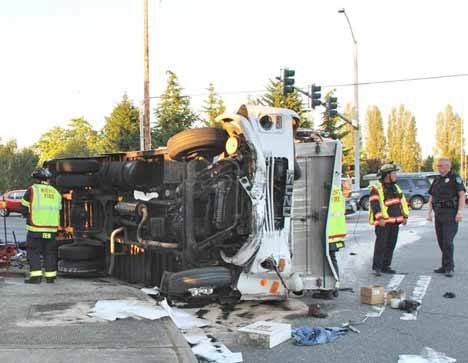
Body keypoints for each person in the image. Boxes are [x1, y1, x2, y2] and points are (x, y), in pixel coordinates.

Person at [20, 167, 62, 284]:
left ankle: (36, 277)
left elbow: (23, 207)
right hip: (52, 229)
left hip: (36, 228)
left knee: (33, 251)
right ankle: (50, 277)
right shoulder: (55, 192)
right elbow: (59, 210)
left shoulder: (32, 190)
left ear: (37, 179)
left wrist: (27, 216)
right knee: (50, 252)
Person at [427, 158, 465, 277]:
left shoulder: (455, 178)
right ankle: (444, 266)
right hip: (439, 213)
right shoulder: (437, 180)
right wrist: (429, 213)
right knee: (441, 241)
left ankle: (449, 267)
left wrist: (460, 212)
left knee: (448, 241)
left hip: (451, 214)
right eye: (438, 166)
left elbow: (462, 195)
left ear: (448, 166)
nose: (439, 168)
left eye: (441, 166)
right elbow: (431, 197)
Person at [368, 163, 409, 276]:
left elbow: (402, 202)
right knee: (381, 244)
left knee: (391, 244)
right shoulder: (377, 188)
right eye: (394, 173)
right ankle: (377, 267)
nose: (396, 175)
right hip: (383, 222)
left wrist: (405, 216)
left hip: (395, 221)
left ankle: (386, 266)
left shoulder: (396, 187)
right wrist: (380, 218)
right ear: (387, 175)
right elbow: (375, 204)